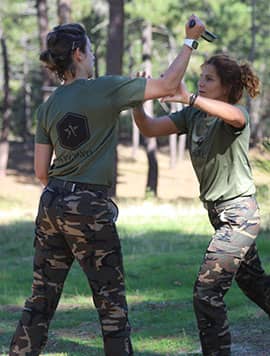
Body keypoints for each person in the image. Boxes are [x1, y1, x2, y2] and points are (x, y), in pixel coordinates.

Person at [9, 17, 206, 356]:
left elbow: (42, 171)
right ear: (78, 54)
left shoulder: (48, 106)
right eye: (90, 49)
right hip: (89, 206)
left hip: (52, 202)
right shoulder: (106, 87)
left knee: (40, 301)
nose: (94, 55)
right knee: (111, 305)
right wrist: (190, 41)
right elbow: (171, 84)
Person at [132, 53, 270, 356]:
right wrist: (136, 103)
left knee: (206, 293)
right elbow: (150, 128)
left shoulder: (235, 114)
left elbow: (237, 118)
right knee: (257, 285)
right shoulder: (193, 116)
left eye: (209, 79)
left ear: (227, 86)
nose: (201, 82)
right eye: (201, 77)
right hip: (219, 216)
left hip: (239, 216)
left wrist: (190, 97)